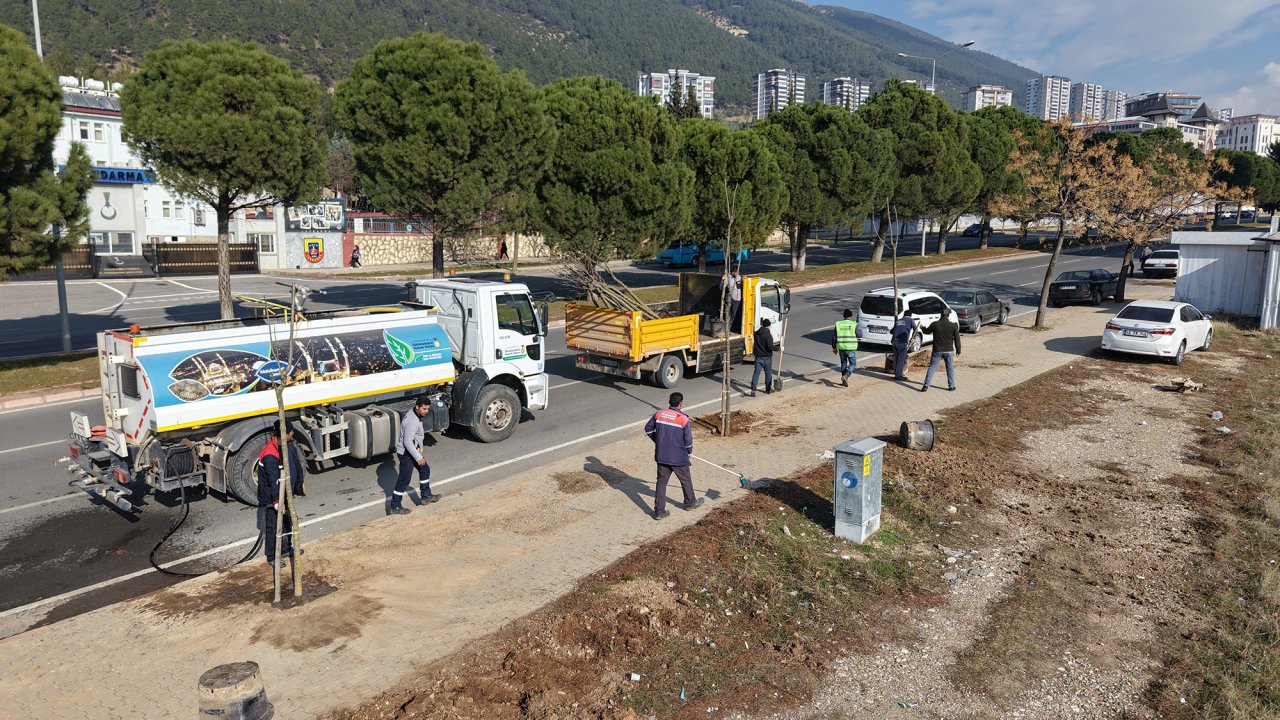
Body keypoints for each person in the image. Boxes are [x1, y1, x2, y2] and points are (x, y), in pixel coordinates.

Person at [644, 391, 700, 519]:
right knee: (685, 480)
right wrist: (689, 452)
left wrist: (658, 440)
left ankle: (659, 511)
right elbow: (688, 440)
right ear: (680, 404)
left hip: (662, 455)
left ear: (670, 402)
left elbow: (648, 428)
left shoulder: (659, 413)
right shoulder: (683, 419)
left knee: (661, 483)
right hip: (678, 456)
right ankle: (690, 503)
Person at [258, 431, 303, 564]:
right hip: (271, 497)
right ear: (283, 434)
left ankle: (286, 549)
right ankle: (272, 557)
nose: (293, 433)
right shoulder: (270, 455)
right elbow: (272, 480)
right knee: (273, 527)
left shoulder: (286, 444)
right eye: (290, 432)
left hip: (284, 492)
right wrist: (277, 501)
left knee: (287, 521)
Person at [390, 397, 440, 515]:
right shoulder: (412, 421)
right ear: (417, 407)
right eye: (424, 409)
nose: (426, 411)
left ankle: (426, 496)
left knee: (425, 469)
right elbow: (407, 442)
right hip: (407, 453)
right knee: (404, 479)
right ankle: (395, 506)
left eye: (427, 409)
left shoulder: (415, 414)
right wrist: (418, 457)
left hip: (412, 450)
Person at [921, 312, 961, 392]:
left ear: (941, 315)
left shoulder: (935, 324)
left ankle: (926, 385)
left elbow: (926, 331)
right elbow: (957, 338)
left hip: (937, 350)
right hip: (949, 350)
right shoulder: (953, 325)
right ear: (948, 316)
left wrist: (922, 327)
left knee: (932, 367)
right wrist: (958, 349)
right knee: (949, 368)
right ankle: (951, 386)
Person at [831, 308, 859, 387]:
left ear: (843, 316)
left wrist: (834, 348)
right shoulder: (854, 324)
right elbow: (860, 334)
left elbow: (834, 337)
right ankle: (846, 376)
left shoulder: (838, 324)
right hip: (850, 348)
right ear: (851, 316)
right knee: (853, 364)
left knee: (843, 363)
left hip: (841, 348)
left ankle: (844, 380)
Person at [750, 318, 776, 396]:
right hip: (767, 357)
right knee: (768, 373)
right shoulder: (768, 335)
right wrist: (779, 348)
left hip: (758, 357)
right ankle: (768, 389)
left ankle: (753, 389)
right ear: (768, 326)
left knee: (756, 373)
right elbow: (770, 347)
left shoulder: (756, 333)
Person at [890, 310, 916, 381]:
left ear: (904, 315)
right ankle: (899, 376)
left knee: (896, 358)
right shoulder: (910, 320)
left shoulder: (898, 320)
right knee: (901, 359)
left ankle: (897, 373)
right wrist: (913, 337)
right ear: (910, 315)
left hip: (894, 341)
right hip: (902, 342)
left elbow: (891, 331)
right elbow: (915, 329)